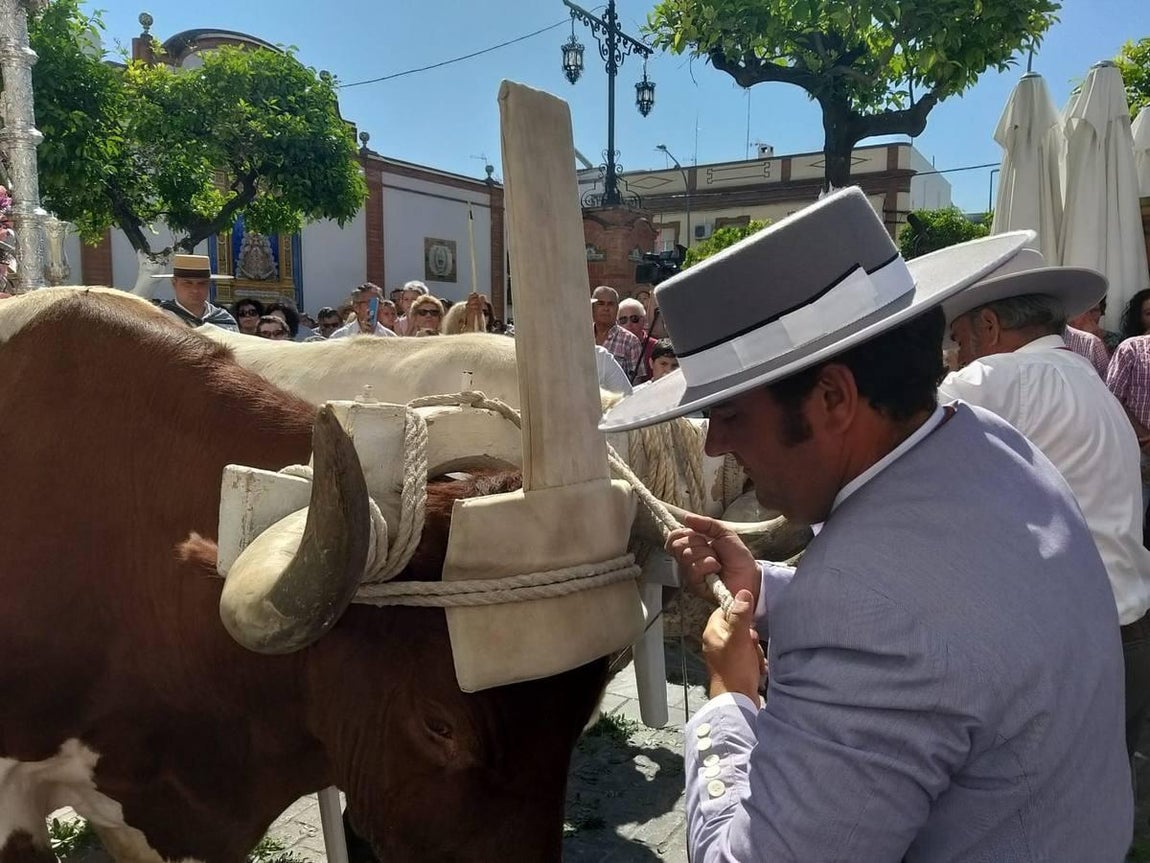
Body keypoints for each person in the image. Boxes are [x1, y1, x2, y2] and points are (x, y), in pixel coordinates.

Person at [600, 187, 1132, 861]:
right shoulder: (989, 440)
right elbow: (944, 618)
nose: (712, 446)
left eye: (731, 415)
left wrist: (729, 697)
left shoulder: (867, 609)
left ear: (832, 398)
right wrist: (763, 588)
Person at [938, 248, 1150, 760]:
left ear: (988, 326)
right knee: (1097, 811)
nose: (955, 353)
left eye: (959, 338)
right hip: (1129, 628)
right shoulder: (1088, 380)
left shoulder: (992, 379)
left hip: (1064, 645)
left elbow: (884, 452)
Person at [154, 254, 237, 331]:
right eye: (187, 283)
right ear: (174, 283)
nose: (195, 290)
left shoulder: (224, 320)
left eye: (202, 284)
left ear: (209, 284)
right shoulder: (159, 319)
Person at [591, 285, 641, 379]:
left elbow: (637, 383)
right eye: (601, 304)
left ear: (617, 309)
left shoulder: (631, 341)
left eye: (610, 304)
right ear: (593, 307)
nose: (606, 308)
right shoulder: (581, 337)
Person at [328, 283, 396, 339]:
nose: (376, 307)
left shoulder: (390, 337)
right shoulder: (339, 337)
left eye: (379, 303)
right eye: (371, 303)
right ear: (356, 307)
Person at [617, 297, 659, 383]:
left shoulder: (655, 346)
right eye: (623, 320)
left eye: (634, 319)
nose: (629, 324)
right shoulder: (613, 347)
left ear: (643, 320)